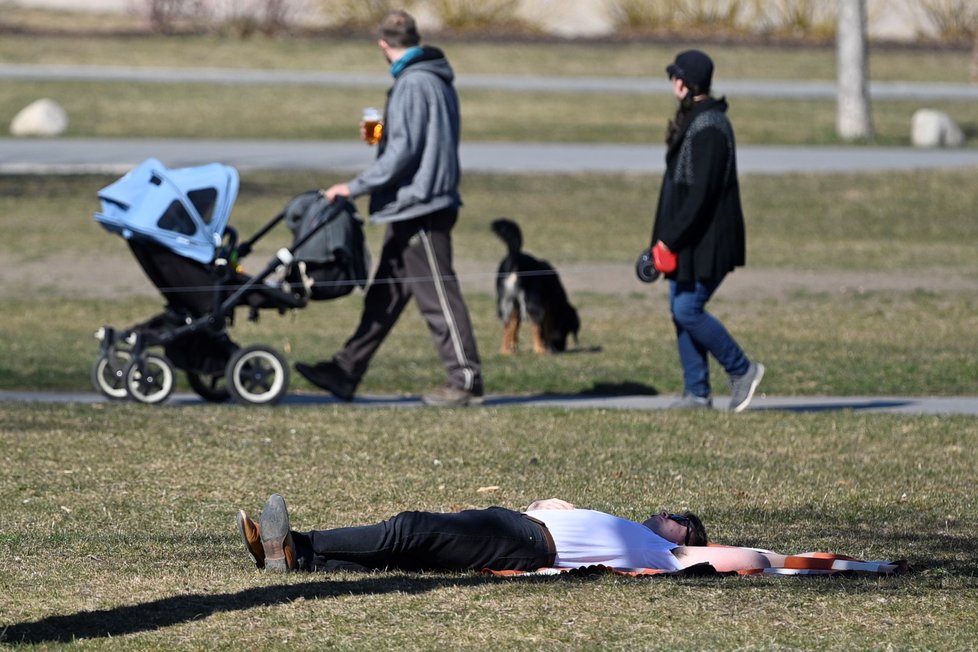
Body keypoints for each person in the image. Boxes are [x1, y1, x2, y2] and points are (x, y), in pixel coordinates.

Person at [296, 10, 483, 407]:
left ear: (383, 44)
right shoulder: (428, 76)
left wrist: (354, 186)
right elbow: (405, 141)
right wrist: (379, 133)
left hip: (422, 206)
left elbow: (402, 154)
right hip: (412, 204)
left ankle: (464, 378)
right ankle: (345, 370)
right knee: (384, 295)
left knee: (438, 295)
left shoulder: (414, 83)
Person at [234, 493, 794, 575]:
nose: (669, 514)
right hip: (520, 528)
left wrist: (803, 562)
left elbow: (751, 558)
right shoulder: (628, 529)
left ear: (687, 536)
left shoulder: (671, 552)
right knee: (411, 555)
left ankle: (294, 543)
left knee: (407, 531)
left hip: (524, 542)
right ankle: (297, 560)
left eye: (681, 518)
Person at [648, 49, 764, 412]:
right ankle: (696, 392)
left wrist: (669, 240)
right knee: (677, 304)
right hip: (688, 240)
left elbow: (700, 199)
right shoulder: (694, 119)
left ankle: (743, 369)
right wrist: (656, 245)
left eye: (675, 76)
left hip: (709, 240)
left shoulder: (711, 127)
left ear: (685, 83)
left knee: (687, 308)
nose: (671, 82)